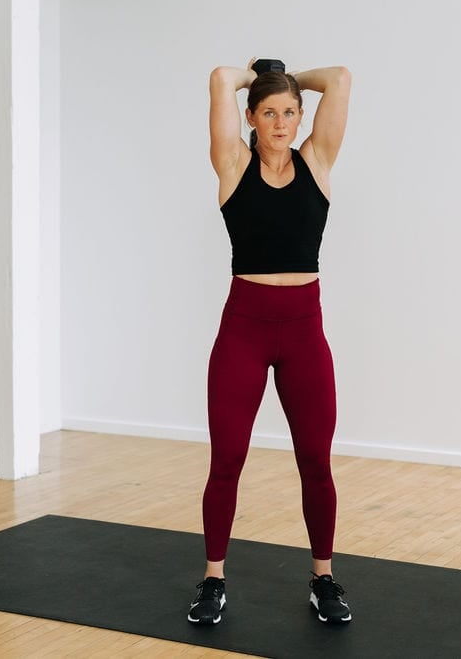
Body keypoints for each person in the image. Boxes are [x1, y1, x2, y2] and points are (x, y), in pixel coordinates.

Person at [187, 58, 352, 626]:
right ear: (251, 119)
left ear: (301, 118)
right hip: (244, 330)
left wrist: (291, 78)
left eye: (289, 113)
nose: (281, 123)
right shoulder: (231, 164)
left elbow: (341, 78)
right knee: (227, 459)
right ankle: (213, 581)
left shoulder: (318, 161)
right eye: (268, 112)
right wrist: (259, 72)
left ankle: (324, 577)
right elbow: (218, 79)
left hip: (305, 331)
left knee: (316, 461)